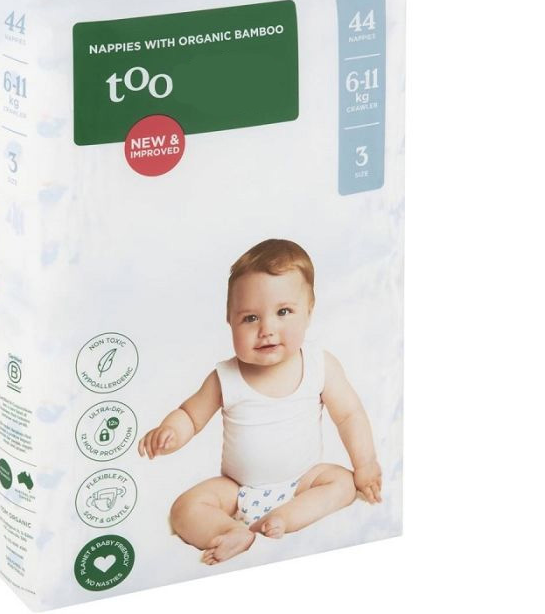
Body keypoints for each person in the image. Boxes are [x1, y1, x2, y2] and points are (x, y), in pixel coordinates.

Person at [138, 239, 381, 565]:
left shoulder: (319, 365)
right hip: (237, 488)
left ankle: (286, 517)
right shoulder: (225, 377)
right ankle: (230, 531)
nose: (267, 329)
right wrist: (171, 432)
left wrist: (365, 465)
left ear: (309, 312)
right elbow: (190, 416)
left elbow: (350, 415)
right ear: (230, 320)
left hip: (305, 480)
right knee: (185, 508)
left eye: (283, 312)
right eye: (251, 318)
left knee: (343, 483)